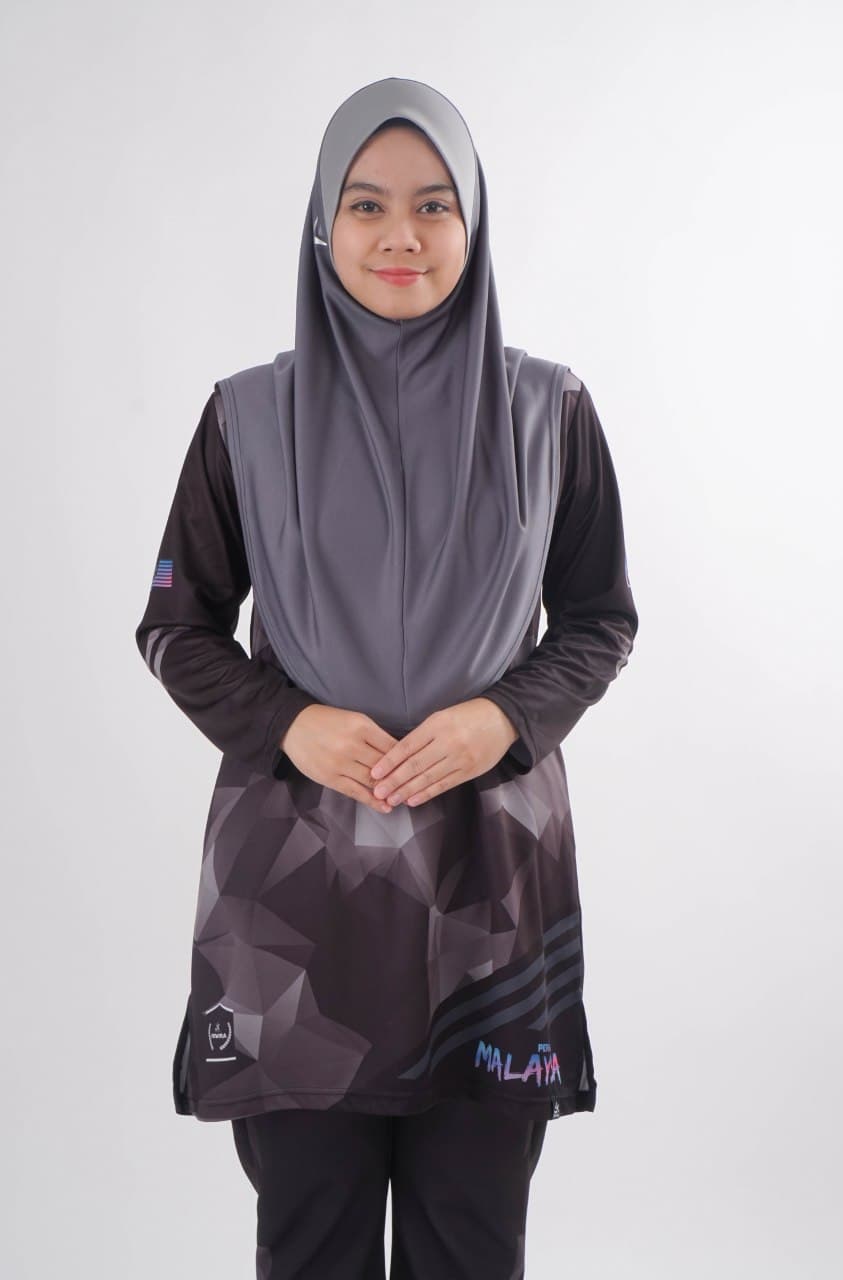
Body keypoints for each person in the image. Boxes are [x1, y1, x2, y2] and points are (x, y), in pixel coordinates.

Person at [136, 76, 639, 1280]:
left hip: (489, 896)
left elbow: (599, 618)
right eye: (365, 204)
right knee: (310, 1242)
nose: (399, 234)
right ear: (324, 223)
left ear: (474, 220)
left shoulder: (548, 410)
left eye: (432, 204)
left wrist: (503, 716)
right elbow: (175, 624)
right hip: (298, 903)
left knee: (471, 1244)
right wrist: (288, 722)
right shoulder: (246, 417)